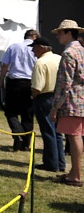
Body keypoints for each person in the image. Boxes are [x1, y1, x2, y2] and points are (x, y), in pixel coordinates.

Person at [50, 19, 84, 187]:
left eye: (60, 33)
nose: (58, 37)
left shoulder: (69, 53)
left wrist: (55, 107)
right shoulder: (82, 50)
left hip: (72, 101)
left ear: (68, 33)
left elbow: (64, 84)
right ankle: (73, 172)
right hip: (81, 99)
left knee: (74, 136)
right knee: (75, 136)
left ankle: (76, 175)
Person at [0, 29, 39, 151]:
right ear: (34, 37)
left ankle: (18, 133)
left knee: (10, 111)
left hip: (14, 82)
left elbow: (4, 65)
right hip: (30, 82)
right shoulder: (37, 49)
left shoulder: (14, 47)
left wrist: (1, 83)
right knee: (27, 114)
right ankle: (26, 144)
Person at [30, 37, 63, 173]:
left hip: (45, 98)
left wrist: (31, 96)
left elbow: (37, 87)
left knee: (48, 131)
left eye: (35, 47)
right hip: (58, 96)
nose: (33, 50)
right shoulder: (59, 58)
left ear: (42, 48)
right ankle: (60, 163)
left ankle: (51, 163)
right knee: (58, 132)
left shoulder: (40, 63)